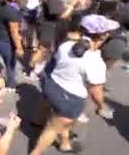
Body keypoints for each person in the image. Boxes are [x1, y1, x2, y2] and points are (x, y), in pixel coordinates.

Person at [30, 15, 117, 155]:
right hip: (70, 99)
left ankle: (61, 141)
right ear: (102, 37)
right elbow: (96, 91)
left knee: (56, 114)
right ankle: (36, 152)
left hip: (51, 84)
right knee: (53, 128)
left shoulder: (66, 45)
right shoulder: (96, 62)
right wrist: (101, 106)